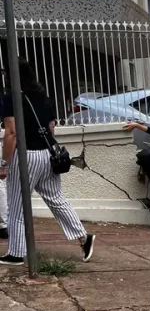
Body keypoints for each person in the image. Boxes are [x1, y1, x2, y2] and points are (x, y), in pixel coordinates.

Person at [0, 58, 95, 266]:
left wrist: (4, 163)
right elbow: (51, 127)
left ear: (11, 76)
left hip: (26, 156)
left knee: (16, 205)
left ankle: (16, 253)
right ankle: (83, 237)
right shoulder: (44, 97)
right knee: (56, 199)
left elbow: (12, 133)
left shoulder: (11, 99)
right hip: (48, 153)